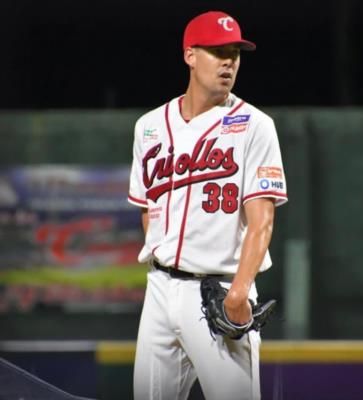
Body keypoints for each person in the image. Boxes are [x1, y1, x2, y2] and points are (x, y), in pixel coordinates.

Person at [128, 10, 288, 400]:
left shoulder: (254, 125)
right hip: (161, 291)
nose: (229, 61)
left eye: (234, 51)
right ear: (190, 55)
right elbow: (149, 206)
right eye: (217, 51)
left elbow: (262, 219)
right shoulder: (149, 126)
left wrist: (239, 290)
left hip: (219, 292)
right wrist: (163, 259)